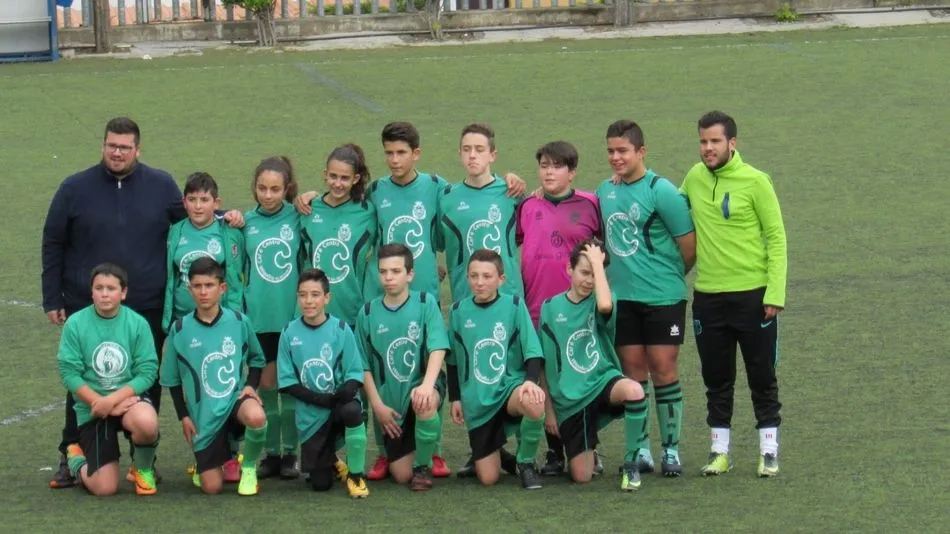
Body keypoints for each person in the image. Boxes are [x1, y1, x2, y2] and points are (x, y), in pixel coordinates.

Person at [42, 117, 242, 488]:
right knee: (85, 379)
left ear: (138, 149)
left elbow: (192, 216)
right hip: (89, 304)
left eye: (125, 147)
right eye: (111, 145)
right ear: (103, 145)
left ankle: (142, 461)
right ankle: (71, 450)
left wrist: (224, 217)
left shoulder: (160, 183)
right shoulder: (74, 188)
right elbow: (53, 240)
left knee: (145, 381)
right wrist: (52, 296)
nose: (117, 152)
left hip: (147, 304)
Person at [680, 111, 787, 478]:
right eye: (703, 141)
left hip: (754, 296)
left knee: (761, 375)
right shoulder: (694, 177)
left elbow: (776, 238)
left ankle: (769, 451)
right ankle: (719, 451)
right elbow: (670, 207)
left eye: (714, 141)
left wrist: (775, 292)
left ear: (732, 144)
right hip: (708, 297)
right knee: (716, 378)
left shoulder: (756, 181)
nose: (707, 148)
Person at [597, 120, 696, 477]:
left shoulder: (661, 191)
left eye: (622, 150)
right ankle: (640, 449)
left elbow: (688, 244)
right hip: (623, 300)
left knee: (664, 368)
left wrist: (668, 276)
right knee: (633, 372)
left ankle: (670, 449)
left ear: (641, 151)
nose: (615, 157)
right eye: (610, 151)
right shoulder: (605, 191)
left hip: (662, 297)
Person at [517, 140, 603, 477]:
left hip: (579, 309)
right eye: (544, 166)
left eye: (556, 166)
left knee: (582, 376)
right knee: (545, 381)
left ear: (572, 171)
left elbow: (601, 252)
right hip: (537, 308)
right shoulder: (527, 205)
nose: (549, 172)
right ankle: (554, 454)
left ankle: (587, 448)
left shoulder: (591, 204)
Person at [538, 240, 649, 491]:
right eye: (584, 272)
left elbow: (605, 306)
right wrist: (550, 408)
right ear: (569, 270)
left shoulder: (604, 300)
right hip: (569, 399)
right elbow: (544, 362)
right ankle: (587, 448)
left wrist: (598, 264)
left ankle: (632, 464)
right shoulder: (549, 308)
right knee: (582, 476)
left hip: (601, 382)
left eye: (594, 274)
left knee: (634, 390)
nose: (588, 280)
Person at [160, 257, 268, 495]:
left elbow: (258, 360)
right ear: (190, 290)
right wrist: (184, 416)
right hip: (204, 416)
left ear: (222, 288)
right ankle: (211, 462)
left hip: (233, 404)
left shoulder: (240, 321)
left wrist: (250, 386)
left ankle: (248, 468)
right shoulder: (179, 329)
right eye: (197, 286)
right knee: (212, 488)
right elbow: (172, 381)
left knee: (256, 416)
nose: (203, 292)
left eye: (209, 285)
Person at [446, 249, 546, 490]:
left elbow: (533, 351)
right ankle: (500, 454)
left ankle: (526, 463)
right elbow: (453, 361)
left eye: (487, 276)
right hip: (477, 399)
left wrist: (530, 382)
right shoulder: (457, 311)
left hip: (509, 389)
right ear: (467, 277)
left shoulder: (513, 305)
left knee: (533, 402)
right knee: (488, 479)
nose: (479, 282)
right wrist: (456, 398)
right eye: (474, 276)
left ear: (501, 279)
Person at [57, 263, 160, 496]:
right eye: (99, 288)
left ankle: (142, 470)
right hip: (92, 407)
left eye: (111, 288)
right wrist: (98, 403)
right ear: (91, 291)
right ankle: (76, 459)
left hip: (126, 401)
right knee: (105, 489)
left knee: (147, 423)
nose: (105, 294)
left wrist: (111, 401)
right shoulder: (75, 324)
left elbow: (147, 371)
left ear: (123, 293)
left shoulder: (137, 324)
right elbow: (69, 373)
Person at [355, 244, 449, 491]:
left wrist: (428, 386)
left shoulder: (425, 302)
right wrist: (377, 405)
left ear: (410, 274)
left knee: (425, 401)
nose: (388, 278)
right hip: (390, 403)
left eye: (396, 271)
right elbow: (363, 366)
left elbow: (438, 348)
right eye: (383, 271)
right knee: (399, 476)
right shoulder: (367, 312)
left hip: (422, 386)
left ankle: (423, 467)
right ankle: (412, 453)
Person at [277, 269, 369, 498]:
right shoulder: (289, 333)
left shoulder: (341, 329)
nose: (309, 301)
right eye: (303, 295)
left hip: (338, 406)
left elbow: (354, 375)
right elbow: (288, 383)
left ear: (327, 298)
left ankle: (356, 475)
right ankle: (331, 460)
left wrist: (340, 396)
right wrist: (320, 400)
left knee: (352, 410)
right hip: (311, 415)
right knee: (320, 484)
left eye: (315, 295)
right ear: (297, 297)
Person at [242, 156, 305, 480]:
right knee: (266, 385)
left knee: (289, 386)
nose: (268, 195)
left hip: (291, 319)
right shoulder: (246, 223)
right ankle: (271, 453)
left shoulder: (298, 217)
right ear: (254, 188)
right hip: (259, 320)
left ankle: (292, 453)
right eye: (263, 188)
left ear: (287, 189)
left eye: (275, 189)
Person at [439, 123, 524, 301]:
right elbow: (434, 241)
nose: (472, 156)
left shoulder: (511, 192)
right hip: (465, 297)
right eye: (466, 149)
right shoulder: (446, 198)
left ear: (492, 155)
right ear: (460, 154)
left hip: (508, 295)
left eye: (479, 150)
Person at [300, 144, 376, 327]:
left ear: (355, 179)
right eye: (333, 176)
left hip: (351, 310)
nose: (337, 183)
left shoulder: (367, 213)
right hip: (311, 310)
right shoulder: (308, 208)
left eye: (345, 178)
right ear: (325, 174)